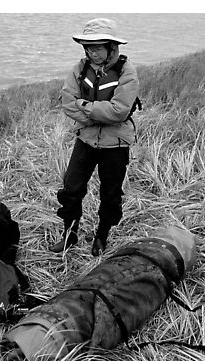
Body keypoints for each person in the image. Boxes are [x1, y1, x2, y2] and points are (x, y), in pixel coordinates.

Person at [49, 18, 140, 256]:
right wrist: (97, 114)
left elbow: (119, 111)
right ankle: (70, 234)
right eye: (88, 47)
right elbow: (67, 103)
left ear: (111, 47)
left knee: (110, 194)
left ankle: (101, 236)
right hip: (86, 139)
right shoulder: (79, 68)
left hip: (115, 144)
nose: (92, 52)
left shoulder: (127, 72)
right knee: (71, 189)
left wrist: (85, 107)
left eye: (98, 47)